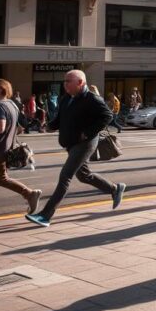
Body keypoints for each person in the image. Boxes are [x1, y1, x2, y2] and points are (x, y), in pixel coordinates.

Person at [25, 70, 126, 227]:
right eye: (64, 81)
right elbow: (60, 118)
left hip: (85, 144)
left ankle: (45, 215)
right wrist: (50, 125)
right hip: (71, 143)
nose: (65, 84)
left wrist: (87, 133)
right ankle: (114, 189)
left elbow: (107, 116)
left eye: (68, 81)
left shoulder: (92, 99)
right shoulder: (67, 98)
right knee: (84, 175)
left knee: (65, 176)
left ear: (80, 83)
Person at [0, 79, 41, 215]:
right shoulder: (12, 104)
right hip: (6, 149)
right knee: (1, 179)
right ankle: (30, 194)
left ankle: (29, 194)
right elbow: (20, 127)